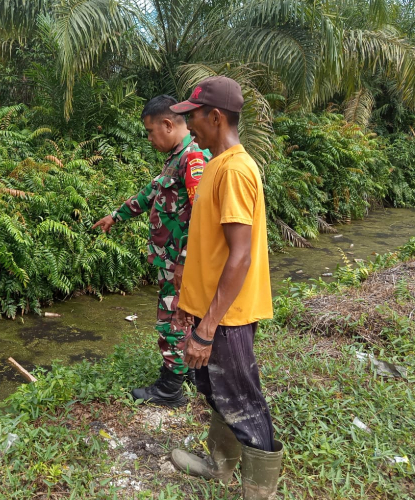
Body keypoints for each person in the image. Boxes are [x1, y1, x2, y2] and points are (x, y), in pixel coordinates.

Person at [167, 76, 283, 499]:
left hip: (228, 316)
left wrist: (207, 328)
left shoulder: (235, 170)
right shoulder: (214, 164)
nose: (189, 125)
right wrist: (188, 299)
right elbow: (209, 247)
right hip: (211, 309)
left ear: (216, 117)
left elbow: (240, 256)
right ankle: (221, 466)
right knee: (214, 391)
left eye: (193, 116)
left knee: (243, 402)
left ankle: (259, 490)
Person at [93, 95, 209, 407]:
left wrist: (186, 261)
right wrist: (116, 216)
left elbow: (202, 215)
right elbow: (150, 194)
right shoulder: (176, 157)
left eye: (149, 131)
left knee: (171, 319)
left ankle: (170, 389)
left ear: (168, 124)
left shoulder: (193, 158)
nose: (149, 138)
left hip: (181, 262)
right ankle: (192, 373)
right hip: (173, 260)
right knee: (184, 318)